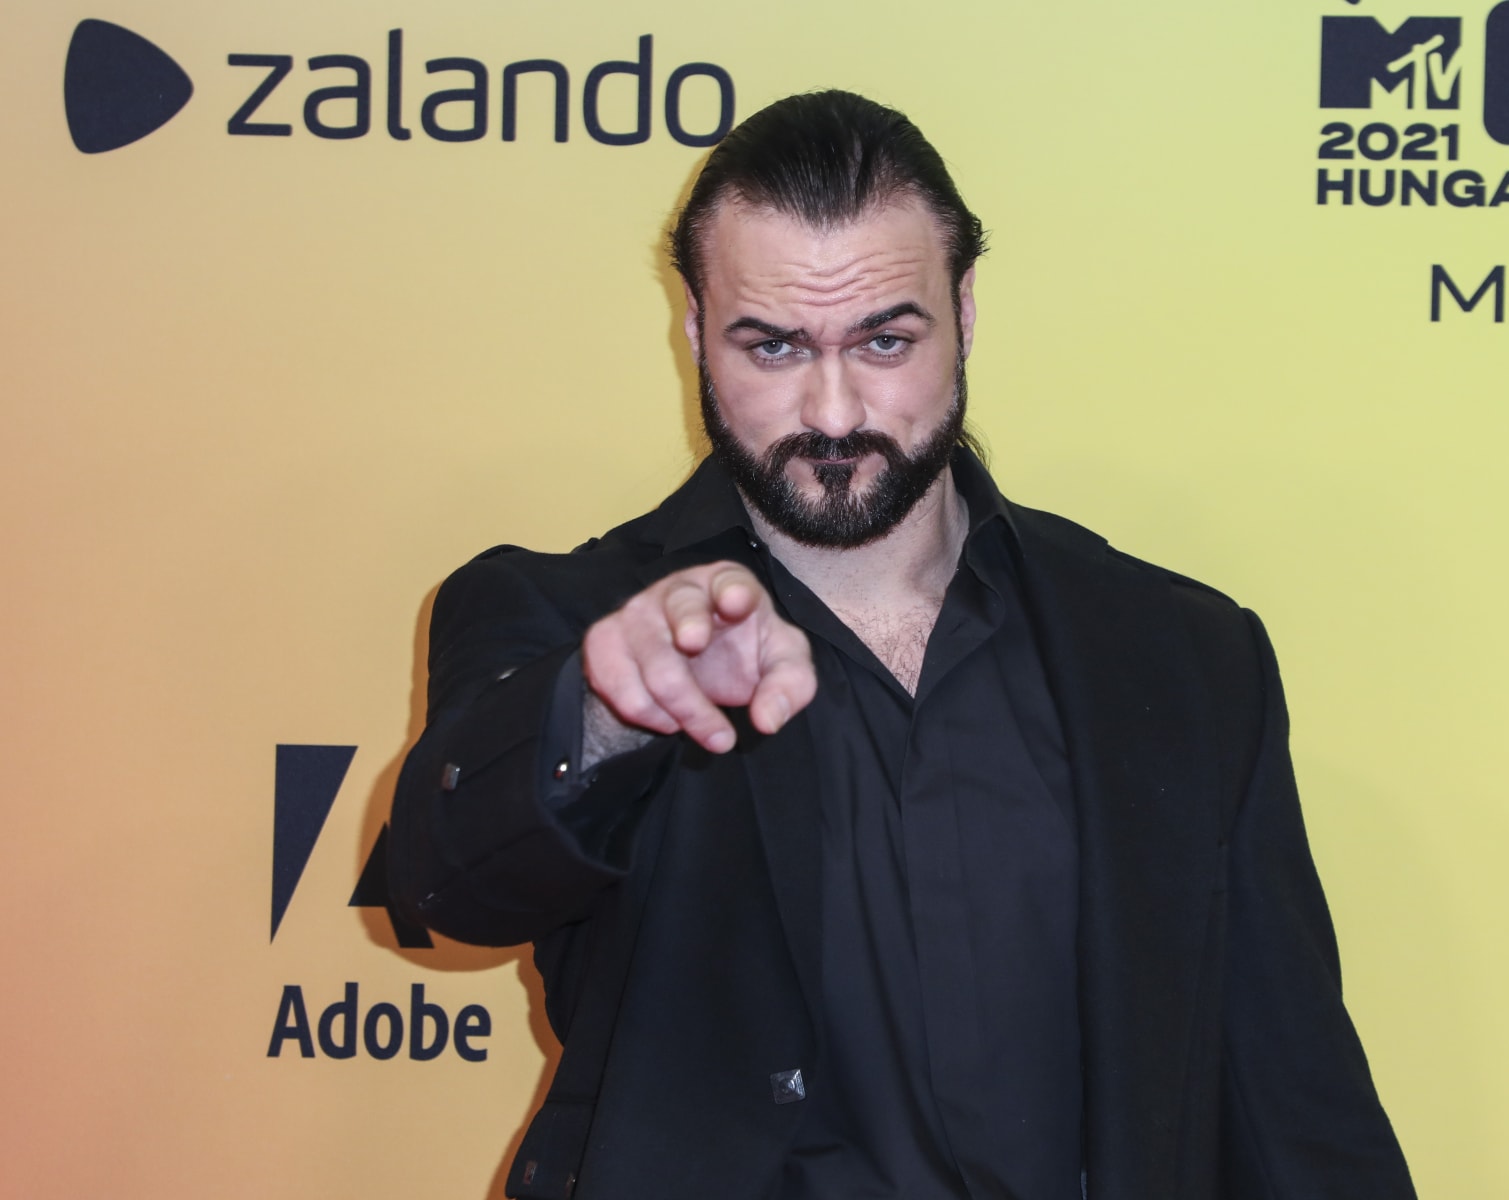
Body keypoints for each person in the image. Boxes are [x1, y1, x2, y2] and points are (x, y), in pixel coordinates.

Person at [389, 89, 1415, 1200]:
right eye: (773, 346)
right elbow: (446, 887)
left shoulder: (1181, 653)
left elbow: (1294, 1097)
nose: (834, 413)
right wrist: (603, 712)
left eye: (884, 340)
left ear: (964, 313)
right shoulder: (565, 619)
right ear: (693, 332)